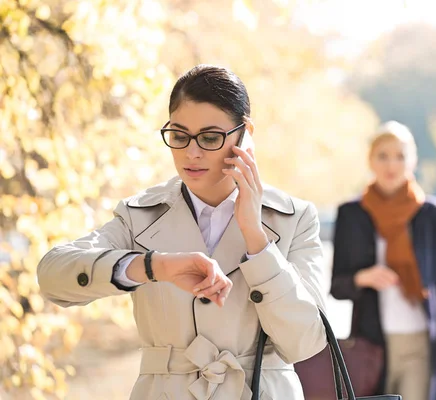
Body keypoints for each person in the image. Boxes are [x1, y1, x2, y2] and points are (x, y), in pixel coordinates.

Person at [37, 64, 327, 400]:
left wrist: (256, 238)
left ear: (244, 132)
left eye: (209, 137)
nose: (191, 153)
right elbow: (52, 274)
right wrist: (153, 267)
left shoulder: (295, 218)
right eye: (179, 136)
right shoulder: (139, 216)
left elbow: (306, 342)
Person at [330, 121, 436, 400]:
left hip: (419, 341)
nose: (392, 164)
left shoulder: (430, 213)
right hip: (371, 343)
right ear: (370, 160)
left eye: (401, 156)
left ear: (412, 161)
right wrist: (363, 277)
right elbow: (337, 286)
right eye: (383, 155)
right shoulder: (351, 214)